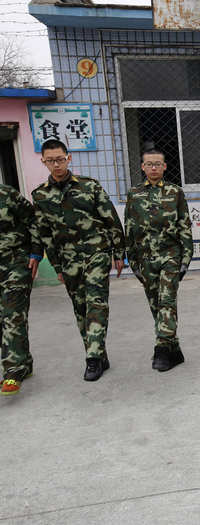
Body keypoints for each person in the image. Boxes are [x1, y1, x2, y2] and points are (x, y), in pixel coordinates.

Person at [32, 139, 126, 381]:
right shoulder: (40, 195)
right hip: (68, 259)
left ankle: (92, 358)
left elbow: (111, 220)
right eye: (51, 160)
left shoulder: (89, 187)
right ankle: (99, 354)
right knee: (81, 308)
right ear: (43, 161)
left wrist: (118, 253)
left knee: (96, 301)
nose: (56, 164)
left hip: (96, 252)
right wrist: (56, 267)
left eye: (60, 159)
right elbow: (45, 235)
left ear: (68, 158)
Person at [124, 149, 193, 372]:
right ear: (142, 167)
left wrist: (186, 259)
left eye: (158, 164)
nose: (154, 168)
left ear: (165, 167)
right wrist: (132, 260)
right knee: (156, 304)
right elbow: (129, 228)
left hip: (170, 256)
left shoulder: (175, 192)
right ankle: (175, 350)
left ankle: (161, 349)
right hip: (145, 259)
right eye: (149, 164)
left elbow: (185, 226)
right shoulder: (134, 194)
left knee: (166, 301)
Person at [0, 185, 43, 395]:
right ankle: (24, 363)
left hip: (15, 262)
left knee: (12, 313)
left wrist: (36, 252)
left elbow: (33, 220)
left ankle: (13, 371)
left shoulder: (7, 195)